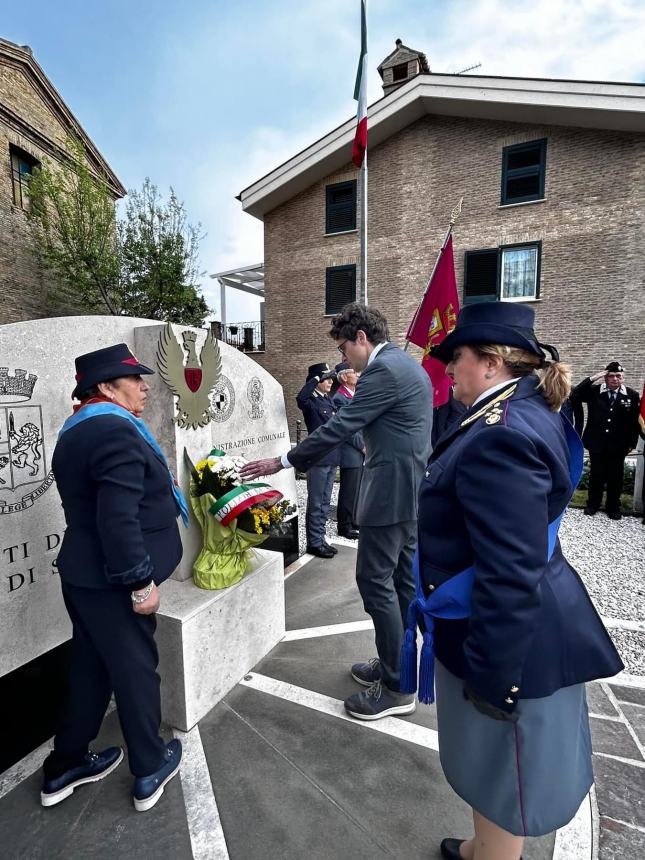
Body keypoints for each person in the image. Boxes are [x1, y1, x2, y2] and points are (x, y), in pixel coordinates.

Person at [404, 303, 623, 860]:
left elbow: (509, 573)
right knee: (495, 772)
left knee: (508, 779)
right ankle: (484, 847)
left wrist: (494, 677)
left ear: (492, 363)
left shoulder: (501, 434)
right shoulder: (520, 410)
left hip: (504, 640)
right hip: (509, 626)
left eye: (458, 357)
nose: (449, 368)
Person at [240, 303, 433, 720]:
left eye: (345, 349)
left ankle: (398, 688)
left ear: (362, 338)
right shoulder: (404, 364)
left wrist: (284, 461)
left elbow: (341, 426)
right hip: (410, 491)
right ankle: (399, 666)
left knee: (374, 581)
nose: (345, 358)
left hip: (391, 494)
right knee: (400, 583)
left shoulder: (383, 371)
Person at [41, 344, 187, 812]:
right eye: (134, 379)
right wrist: (139, 583)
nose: (145, 386)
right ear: (105, 387)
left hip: (85, 577)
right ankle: (149, 766)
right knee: (134, 669)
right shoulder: (112, 432)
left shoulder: (81, 429)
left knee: (91, 667)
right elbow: (117, 520)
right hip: (112, 581)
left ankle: (66, 765)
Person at [570, 361, 641, 520]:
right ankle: (592, 505)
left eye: (618, 376)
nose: (615, 379)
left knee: (616, 477)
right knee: (596, 475)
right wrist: (595, 377)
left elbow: (634, 422)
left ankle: (613, 507)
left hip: (619, 444)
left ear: (623, 378)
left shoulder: (631, 395)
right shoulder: (595, 392)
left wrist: (632, 443)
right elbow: (576, 394)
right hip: (597, 442)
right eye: (611, 376)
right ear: (605, 377)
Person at [296, 362, 341, 558]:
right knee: (315, 503)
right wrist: (315, 378)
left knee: (324, 502)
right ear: (317, 381)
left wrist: (324, 377)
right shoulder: (310, 402)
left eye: (331, 378)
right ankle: (313, 543)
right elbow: (300, 397)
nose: (330, 381)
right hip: (318, 459)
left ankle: (320, 538)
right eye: (326, 378)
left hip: (331, 456)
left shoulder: (327, 400)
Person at [331, 361, 364, 539]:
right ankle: (344, 526)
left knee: (358, 488)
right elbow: (346, 428)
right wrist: (363, 445)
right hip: (351, 451)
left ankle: (354, 520)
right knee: (348, 490)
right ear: (344, 377)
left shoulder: (355, 395)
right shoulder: (340, 398)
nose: (358, 374)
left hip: (360, 452)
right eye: (354, 372)